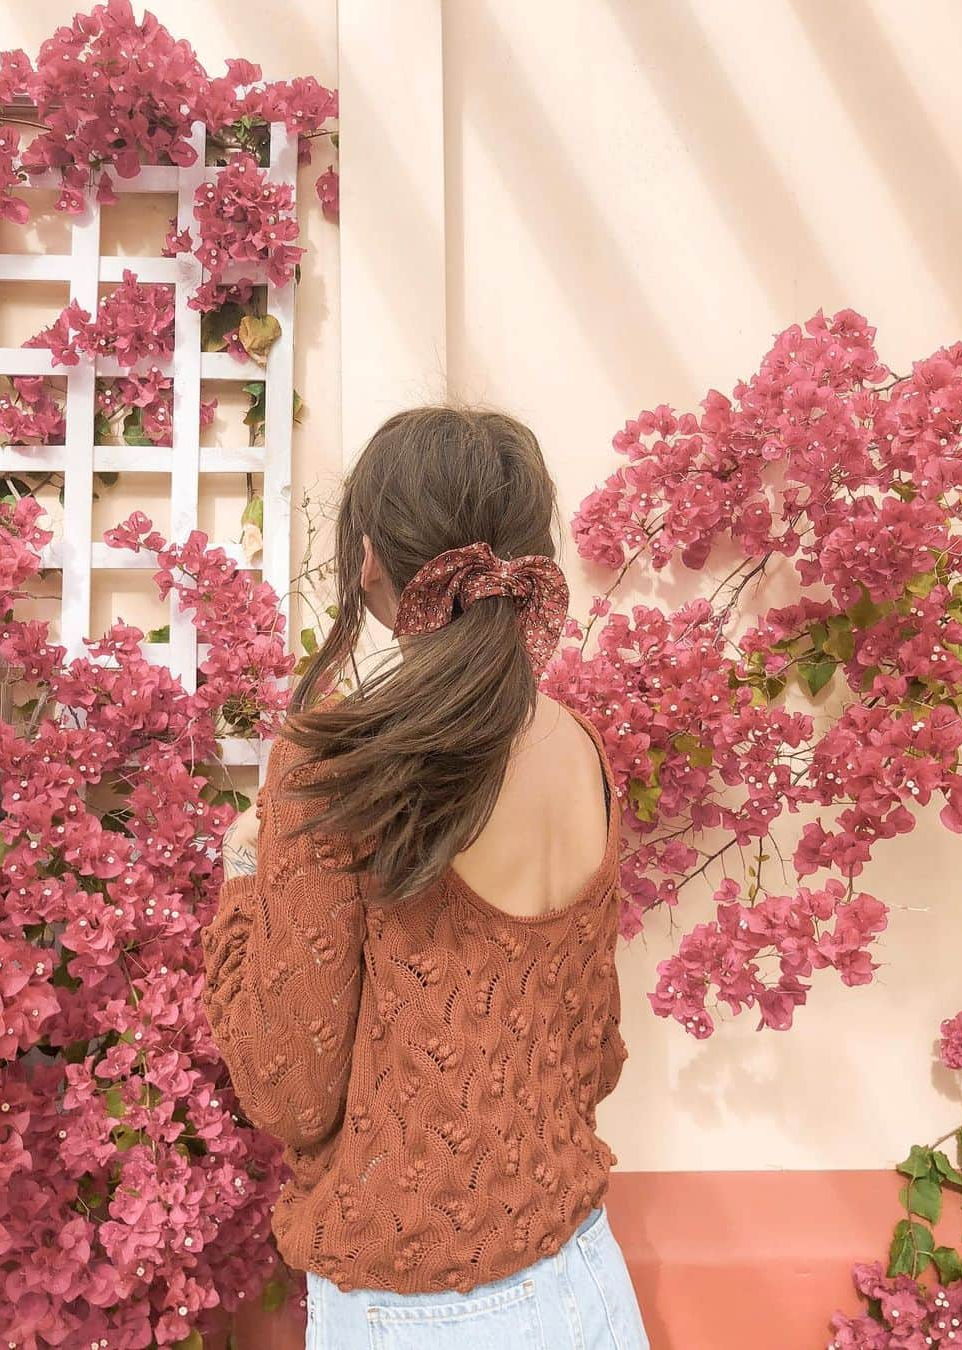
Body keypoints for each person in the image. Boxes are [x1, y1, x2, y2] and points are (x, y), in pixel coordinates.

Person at [201, 405, 650, 1348]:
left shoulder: (342, 767)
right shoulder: (580, 749)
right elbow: (594, 1054)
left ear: (368, 557)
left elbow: (287, 1090)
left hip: (418, 1314)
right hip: (587, 1283)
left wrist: (246, 859)